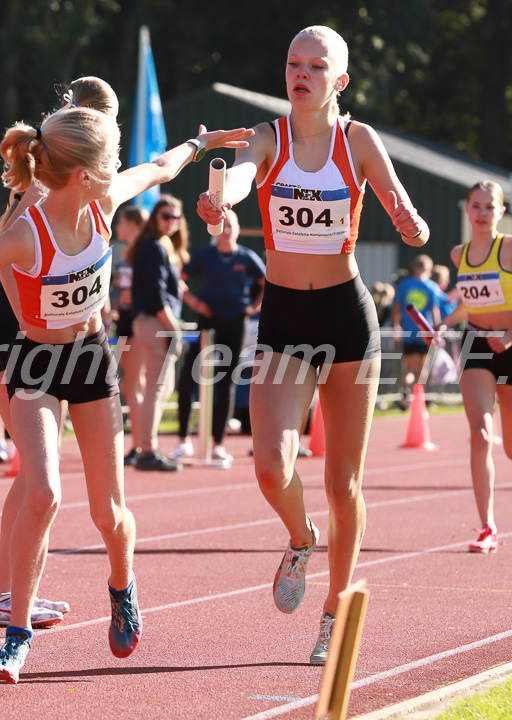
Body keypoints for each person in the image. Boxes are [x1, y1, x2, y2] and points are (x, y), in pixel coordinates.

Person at [0, 104, 251, 682]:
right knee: (42, 492)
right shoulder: (24, 236)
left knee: (109, 513)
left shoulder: (105, 200)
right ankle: (17, 633)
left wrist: (201, 143)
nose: (119, 165)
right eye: (111, 156)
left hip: (90, 362)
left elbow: (161, 168)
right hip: (33, 363)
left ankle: (122, 584)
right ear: (84, 171)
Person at [197, 25, 429, 665]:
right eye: (293, 64)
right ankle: (301, 539)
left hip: (346, 319)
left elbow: (399, 203)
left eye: (315, 66)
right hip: (285, 319)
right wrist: (222, 201)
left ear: (340, 80)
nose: (300, 74)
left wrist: (410, 220)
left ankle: (334, 609)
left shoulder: (357, 141)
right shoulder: (269, 137)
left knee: (344, 482)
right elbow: (245, 176)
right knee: (270, 464)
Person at [0, 77, 120, 629]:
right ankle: (2, 596)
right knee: (35, 478)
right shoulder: (47, 187)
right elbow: (5, 254)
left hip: (45, 336)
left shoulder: (79, 188)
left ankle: (6, 594)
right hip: (12, 334)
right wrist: (28, 316)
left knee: (34, 476)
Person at [439, 180, 512, 553]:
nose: (482, 213)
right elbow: (471, 303)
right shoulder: (458, 254)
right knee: (481, 434)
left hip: (511, 343)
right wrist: (443, 325)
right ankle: (487, 526)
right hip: (478, 344)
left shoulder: (509, 248)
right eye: (476, 206)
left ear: (501, 211)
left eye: (490, 207)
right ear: (467, 210)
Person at [171, 208, 265, 462]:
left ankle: (218, 444)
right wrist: (193, 301)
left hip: (235, 322)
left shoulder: (246, 257)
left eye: (231, 226)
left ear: (237, 230)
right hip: (207, 320)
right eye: (223, 227)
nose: (227, 231)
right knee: (189, 376)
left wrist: (254, 307)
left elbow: (266, 283)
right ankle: (182, 440)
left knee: (226, 382)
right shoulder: (205, 256)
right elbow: (178, 278)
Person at [125, 195, 190, 472]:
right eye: (166, 216)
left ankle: (145, 447)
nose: (171, 222)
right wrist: (172, 325)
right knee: (156, 389)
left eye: (176, 217)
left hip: (152, 322)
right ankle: (147, 450)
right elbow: (155, 293)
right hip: (156, 323)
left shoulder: (157, 246)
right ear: (155, 218)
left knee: (157, 389)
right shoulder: (153, 247)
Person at [111, 205, 148, 465]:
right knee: (132, 384)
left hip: (138, 321)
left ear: (132, 224)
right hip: (124, 319)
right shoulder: (126, 253)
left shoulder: (147, 251)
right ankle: (141, 441)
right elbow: (122, 287)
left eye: (120, 223)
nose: (116, 228)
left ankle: (140, 444)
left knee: (133, 384)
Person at [392, 254, 440, 408]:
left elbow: (397, 307)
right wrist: (437, 330)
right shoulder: (431, 287)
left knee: (409, 366)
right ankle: (419, 397)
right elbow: (434, 311)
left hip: (410, 331)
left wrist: (396, 325)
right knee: (422, 368)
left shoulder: (405, 284)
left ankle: (406, 392)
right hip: (424, 332)